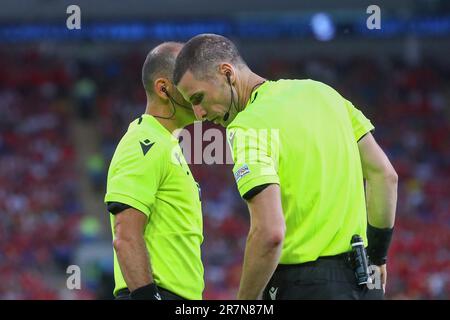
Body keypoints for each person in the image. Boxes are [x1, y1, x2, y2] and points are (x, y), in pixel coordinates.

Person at [173, 34, 398, 300]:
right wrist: (377, 257)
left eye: (198, 98)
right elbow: (384, 175)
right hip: (365, 283)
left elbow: (269, 233)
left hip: (305, 287)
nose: (198, 114)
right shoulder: (324, 94)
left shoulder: (248, 126)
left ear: (227, 73)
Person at [104, 42, 204, 300]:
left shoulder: (168, 145)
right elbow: (125, 236)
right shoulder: (144, 142)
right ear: (164, 89)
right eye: (191, 80)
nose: (201, 88)